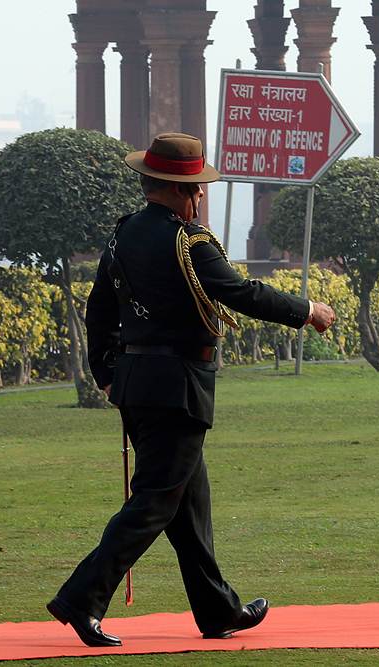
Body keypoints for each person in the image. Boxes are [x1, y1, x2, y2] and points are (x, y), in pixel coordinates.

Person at [46, 132, 337, 647]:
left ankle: (217, 610)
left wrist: (108, 374)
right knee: (156, 502)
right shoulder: (189, 242)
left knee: (189, 507)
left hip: (136, 385)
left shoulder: (122, 236)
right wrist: (306, 311)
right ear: (187, 191)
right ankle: (80, 599)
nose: (200, 196)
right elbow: (239, 292)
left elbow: (99, 311)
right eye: (198, 188)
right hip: (177, 388)